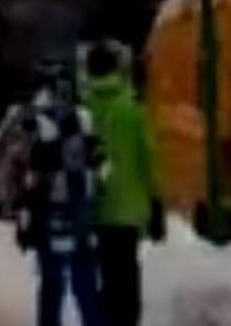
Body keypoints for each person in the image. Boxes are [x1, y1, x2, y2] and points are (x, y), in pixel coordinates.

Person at [12, 71, 107, 326]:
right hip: (81, 208)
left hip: (49, 209)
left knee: (52, 284)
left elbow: (26, 171)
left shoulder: (39, 124)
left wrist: (23, 216)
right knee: (85, 282)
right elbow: (100, 160)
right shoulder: (86, 120)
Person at [84, 41, 162, 326]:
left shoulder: (83, 110)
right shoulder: (132, 110)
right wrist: (156, 201)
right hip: (129, 210)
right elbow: (149, 158)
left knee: (101, 270)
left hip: (92, 205)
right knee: (126, 274)